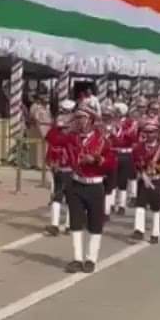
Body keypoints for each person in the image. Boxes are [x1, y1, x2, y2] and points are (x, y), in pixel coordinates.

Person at [64, 102, 106, 273]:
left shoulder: (101, 139)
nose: (79, 121)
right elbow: (53, 138)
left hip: (95, 185)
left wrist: (96, 160)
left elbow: (110, 162)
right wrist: (64, 122)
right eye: (78, 117)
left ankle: (91, 258)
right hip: (76, 183)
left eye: (83, 117)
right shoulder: (72, 136)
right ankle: (77, 259)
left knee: (95, 224)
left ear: (91, 120)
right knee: (75, 222)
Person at [132, 119, 160, 244]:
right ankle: (139, 230)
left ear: (157, 133)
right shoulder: (138, 147)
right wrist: (142, 173)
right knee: (140, 204)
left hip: (157, 180)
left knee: (156, 207)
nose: (149, 134)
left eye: (152, 132)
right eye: (147, 132)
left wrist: (157, 169)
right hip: (143, 179)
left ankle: (155, 233)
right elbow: (135, 162)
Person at [44, 100, 75, 236]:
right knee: (62, 197)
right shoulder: (73, 129)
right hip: (63, 168)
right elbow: (50, 141)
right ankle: (61, 225)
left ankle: (62, 225)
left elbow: (50, 139)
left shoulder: (69, 130)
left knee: (65, 197)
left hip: (68, 168)